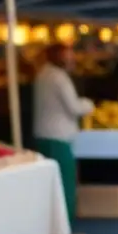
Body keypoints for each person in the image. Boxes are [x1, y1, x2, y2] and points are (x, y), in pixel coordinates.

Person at [32, 43, 94, 224]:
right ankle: (64, 226)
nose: (73, 59)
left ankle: (55, 225)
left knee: (51, 185)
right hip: (57, 137)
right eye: (69, 56)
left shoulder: (43, 74)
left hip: (45, 134)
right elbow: (74, 107)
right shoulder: (59, 78)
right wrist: (88, 105)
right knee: (65, 183)